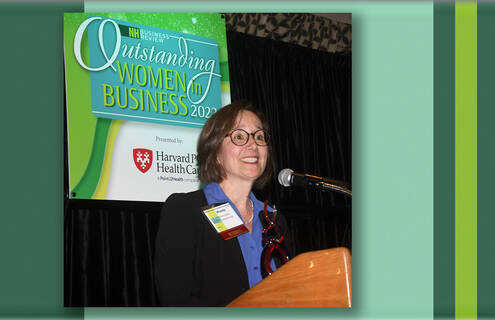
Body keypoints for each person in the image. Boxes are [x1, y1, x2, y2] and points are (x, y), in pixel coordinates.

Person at [154, 100, 289, 307]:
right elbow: (176, 300)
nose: (253, 145)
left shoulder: (273, 218)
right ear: (216, 152)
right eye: (239, 137)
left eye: (259, 137)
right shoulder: (185, 211)